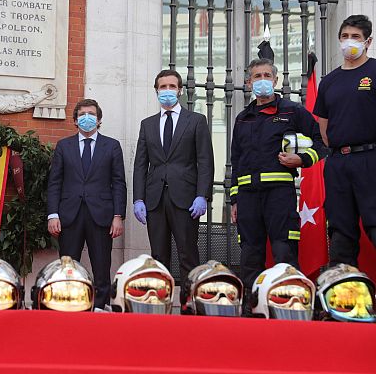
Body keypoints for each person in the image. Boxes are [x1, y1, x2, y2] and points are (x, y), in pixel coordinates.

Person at [230, 58, 327, 303]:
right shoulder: (242, 118)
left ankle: (288, 305)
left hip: (279, 195)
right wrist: (234, 200)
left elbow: (321, 141)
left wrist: (302, 159)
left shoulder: (292, 111)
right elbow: (236, 160)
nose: (262, 80)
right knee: (250, 254)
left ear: (275, 80)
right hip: (248, 197)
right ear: (248, 82)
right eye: (256, 76)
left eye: (266, 75)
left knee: (284, 250)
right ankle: (251, 309)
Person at [132, 69, 214, 310]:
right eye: (162, 87)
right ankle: (160, 305)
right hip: (155, 198)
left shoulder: (196, 120)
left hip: (186, 198)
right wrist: (139, 199)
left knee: (188, 254)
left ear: (180, 90)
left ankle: (191, 305)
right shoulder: (147, 125)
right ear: (156, 90)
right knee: (159, 255)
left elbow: (205, 161)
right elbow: (140, 164)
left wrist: (202, 195)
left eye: (171, 86)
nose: (167, 91)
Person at [47, 98, 127, 309]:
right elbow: (55, 182)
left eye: (91, 114)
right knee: (68, 267)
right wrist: (52, 215)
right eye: (82, 114)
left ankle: (100, 307)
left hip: (101, 216)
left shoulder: (112, 146)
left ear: (99, 120)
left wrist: (118, 216)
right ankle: (67, 305)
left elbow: (119, 183)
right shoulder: (64, 146)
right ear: (75, 120)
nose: (87, 118)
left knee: (101, 267)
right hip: (69, 216)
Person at [314, 15, 376, 267]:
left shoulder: (374, 71)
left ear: (367, 42)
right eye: (345, 36)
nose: (350, 42)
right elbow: (324, 128)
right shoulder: (329, 81)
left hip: (370, 159)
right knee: (340, 230)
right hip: (338, 162)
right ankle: (345, 293)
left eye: (356, 37)